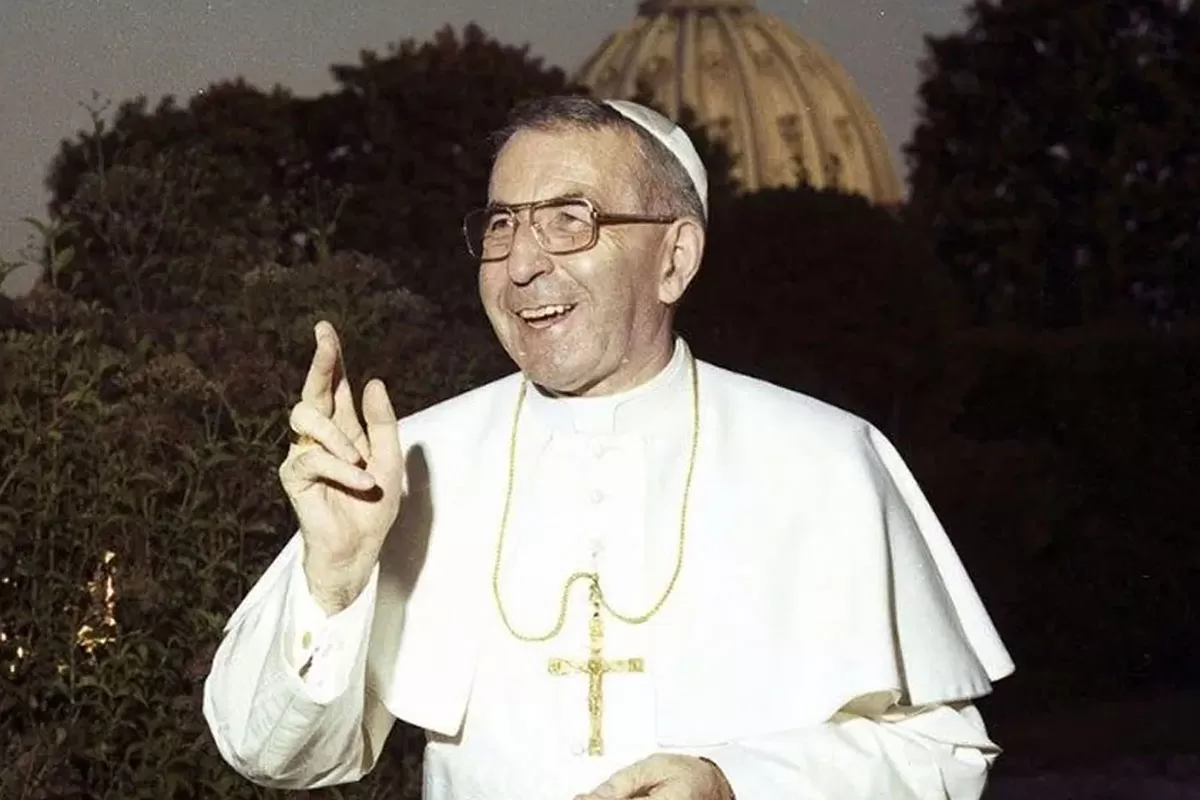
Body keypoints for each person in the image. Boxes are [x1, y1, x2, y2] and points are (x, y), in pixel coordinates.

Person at [202, 95, 1015, 800]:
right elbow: (266, 752)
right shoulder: (410, 461)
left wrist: (736, 784)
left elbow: (940, 759)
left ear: (675, 258)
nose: (521, 263)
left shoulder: (828, 459)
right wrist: (334, 581)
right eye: (501, 225)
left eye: (569, 220)